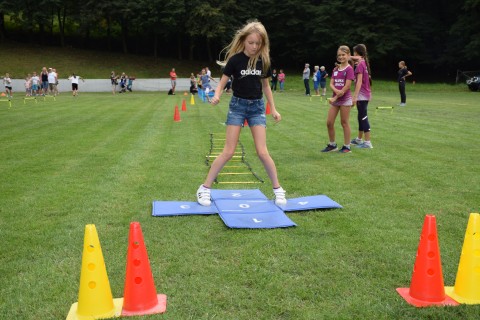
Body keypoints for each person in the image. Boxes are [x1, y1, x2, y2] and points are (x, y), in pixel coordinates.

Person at [196, 20, 287, 206]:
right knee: (228, 151)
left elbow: (266, 86)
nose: (254, 47)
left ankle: (278, 190)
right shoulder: (235, 60)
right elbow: (222, 81)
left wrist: (274, 109)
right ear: (244, 40)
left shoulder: (264, 61)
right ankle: (204, 188)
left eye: (258, 44)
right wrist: (217, 95)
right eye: (251, 42)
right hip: (237, 106)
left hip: (257, 108)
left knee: (262, 152)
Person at [321, 45, 355, 153]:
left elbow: (347, 86)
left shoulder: (349, 69)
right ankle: (332, 145)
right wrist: (335, 91)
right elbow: (331, 83)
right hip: (336, 99)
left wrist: (336, 96)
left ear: (348, 55)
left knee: (344, 122)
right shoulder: (335, 69)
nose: (341, 57)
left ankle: (347, 146)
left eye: (343, 55)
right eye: (339, 55)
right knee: (329, 122)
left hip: (345, 100)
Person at [350, 44, 373, 149]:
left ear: (356, 52)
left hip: (362, 95)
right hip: (365, 94)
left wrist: (354, 97)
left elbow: (359, 82)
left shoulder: (360, 64)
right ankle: (359, 139)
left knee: (363, 117)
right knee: (360, 116)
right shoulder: (363, 62)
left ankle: (368, 142)